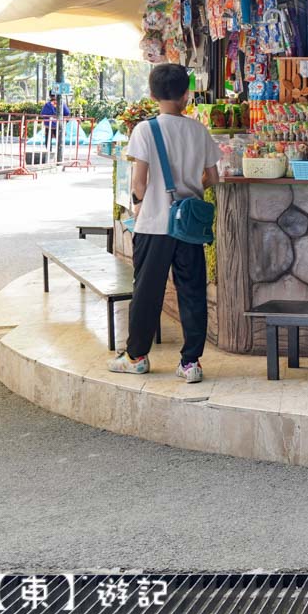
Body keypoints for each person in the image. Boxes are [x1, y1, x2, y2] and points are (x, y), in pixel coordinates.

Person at [108, 64, 220, 383]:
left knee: (147, 291)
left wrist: (142, 203)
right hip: (187, 226)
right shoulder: (198, 130)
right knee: (192, 291)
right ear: (186, 94)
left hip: (154, 224)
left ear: (153, 94)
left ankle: (137, 356)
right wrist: (189, 191)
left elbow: (139, 182)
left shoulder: (145, 129)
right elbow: (213, 177)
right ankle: (190, 363)